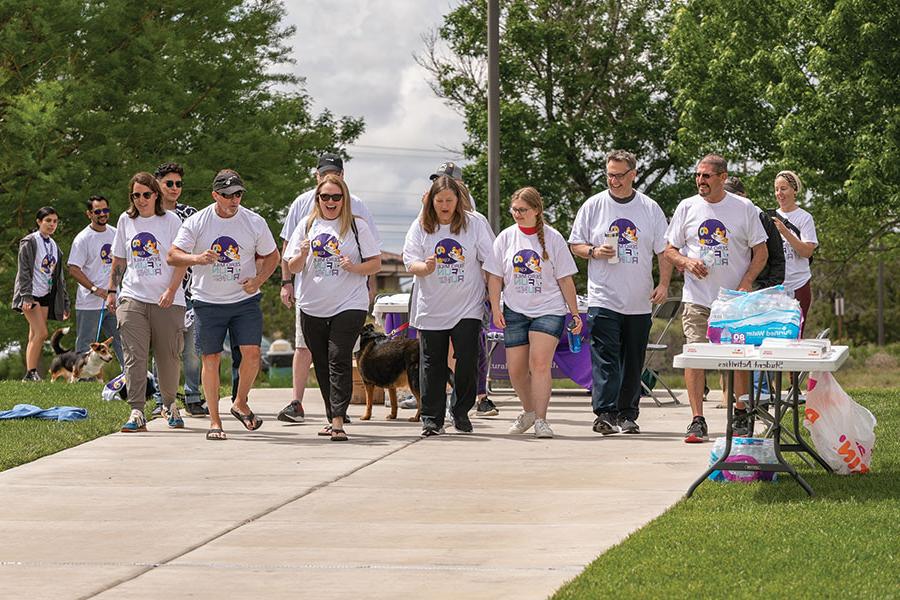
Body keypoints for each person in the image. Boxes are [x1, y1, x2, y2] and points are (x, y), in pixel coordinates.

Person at [168, 169, 279, 441]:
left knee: (252, 354)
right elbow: (172, 255)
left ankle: (240, 402)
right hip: (207, 301)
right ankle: (215, 422)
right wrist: (197, 259)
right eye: (228, 195)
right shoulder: (198, 222)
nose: (234, 200)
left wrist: (259, 279)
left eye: (238, 194)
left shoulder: (254, 221)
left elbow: (273, 255)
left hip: (244, 300)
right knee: (211, 359)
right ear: (215, 195)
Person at [664, 154, 768, 442]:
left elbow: (761, 252)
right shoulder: (687, 207)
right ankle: (697, 420)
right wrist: (686, 262)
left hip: (734, 300)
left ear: (723, 177)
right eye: (698, 175)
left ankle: (741, 412)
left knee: (739, 359)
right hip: (697, 299)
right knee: (694, 356)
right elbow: (670, 249)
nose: (701, 181)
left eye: (707, 176)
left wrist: (746, 283)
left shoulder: (745, 208)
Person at [568, 150, 671, 435]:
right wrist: (593, 251)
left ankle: (627, 414)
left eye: (619, 175)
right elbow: (575, 244)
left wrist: (663, 284)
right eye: (609, 174)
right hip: (604, 296)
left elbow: (664, 250)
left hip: (638, 298)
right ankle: (604, 412)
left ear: (633, 174)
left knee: (632, 359)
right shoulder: (593, 206)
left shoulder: (649, 208)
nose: (613, 180)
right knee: (605, 356)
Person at [276, 153, 381, 424]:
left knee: (338, 356)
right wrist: (299, 258)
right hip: (313, 304)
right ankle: (332, 411)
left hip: (349, 302)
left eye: (336, 197)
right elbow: (293, 263)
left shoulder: (357, 224)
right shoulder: (307, 223)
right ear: (317, 197)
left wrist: (355, 269)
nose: (331, 202)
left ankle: (336, 419)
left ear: (344, 197)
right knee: (320, 362)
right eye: (325, 197)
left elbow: (375, 263)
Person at [403, 175, 497, 437]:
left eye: (449, 200)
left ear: (458, 200)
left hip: (467, 305)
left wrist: (494, 296)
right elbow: (410, 261)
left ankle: (461, 411)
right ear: (431, 201)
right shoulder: (421, 225)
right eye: (439, 200)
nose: (444, 205)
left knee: (467, 359)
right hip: (432, 306)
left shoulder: (475, 223)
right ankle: (431, 418)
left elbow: (491, 261)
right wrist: (426, 267)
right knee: (431, 364)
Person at [486, 187, 581, 438]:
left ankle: (541, 419)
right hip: (515, 310)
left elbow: (565, 280)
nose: (517, 214)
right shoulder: (505, 238)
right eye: (514, 210)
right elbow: (494, 277)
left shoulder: (553, 238)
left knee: (539, 364)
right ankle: (528, 411)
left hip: (548, 309)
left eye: (523, 210)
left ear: (536, 211)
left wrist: (575, 313)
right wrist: (496, 307)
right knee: (515, 370)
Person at [107, 173, 188, 432]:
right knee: (134, 356)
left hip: (168, 300)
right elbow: (119, 259)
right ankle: (137, 410)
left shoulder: (171, 221)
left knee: (168, 356)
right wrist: (112, 291)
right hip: (133, 297)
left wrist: (171, 290)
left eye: (146, 194)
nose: (141, 200)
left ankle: (169, 404)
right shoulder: (125, 220)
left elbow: (181, 260)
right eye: (135, 195)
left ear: (156, 194)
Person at [427, 161, 499, 418]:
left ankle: (476, 396)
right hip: (437, 296)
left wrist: (491, 292)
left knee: (472, 348)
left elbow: (489, 259)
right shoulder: (428, 214)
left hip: (470, 295)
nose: (443, 184)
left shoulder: (473, 217)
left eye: (448, 179)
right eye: (438, 179)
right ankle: (448, 397)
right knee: (442, 352)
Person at [150, 162, 208, 416]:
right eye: (169, 183)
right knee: (163, 349)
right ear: (158, 185)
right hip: (159, 291)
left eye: (178, 184)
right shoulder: (148, 214)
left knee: (194, 349)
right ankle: (161, 400)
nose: (175, 188)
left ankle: (193, 396)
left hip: (190, 292)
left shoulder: (190, 214)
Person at [12, 207, 70, 381]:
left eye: (55, 221)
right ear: (39, 222)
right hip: (30, 294)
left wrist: (65, 303)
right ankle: (31, 372)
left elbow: (59, 278)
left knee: (34, 334)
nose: (52, 224)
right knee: (42, 333)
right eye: (48, 221)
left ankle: (31, 373)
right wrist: (26, 296)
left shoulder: (54, 246)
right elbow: (23, 271)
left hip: (46, 294)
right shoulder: (29, 241)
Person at [67, 195, 125, 369]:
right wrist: (95, 289)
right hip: (90, 302)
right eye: (97, 211)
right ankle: (82, 381)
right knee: (86, 343)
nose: (102, 214)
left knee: (122, 340)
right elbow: (73, 268)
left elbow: (123, 262)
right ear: (89, 214)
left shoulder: (116, 233)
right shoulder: (83, 238)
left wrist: (115, 289)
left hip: (114, 298)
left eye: (105, 210)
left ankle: (131, 376)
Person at [772, 170, 817, 334]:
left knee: (795, 333)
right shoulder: (769, 218)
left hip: (799, 284)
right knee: (775, 335)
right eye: (777, 189)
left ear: (794, 190)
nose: (779, 193)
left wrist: (785, 232)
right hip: (775, 287)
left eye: (783, 189)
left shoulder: (804, 218)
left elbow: (807, 251)